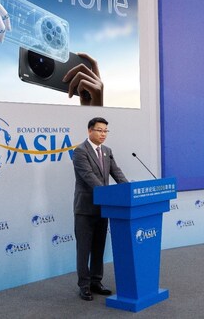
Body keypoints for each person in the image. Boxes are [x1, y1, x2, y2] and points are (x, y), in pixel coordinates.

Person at [72, 117, 128, 301]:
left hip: (103, 208)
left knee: (99, 247)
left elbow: (116, 172)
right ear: (90, 130)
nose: (103, 134)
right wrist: (108, 194)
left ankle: (96, 281)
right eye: (99, 130)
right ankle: (84, 285)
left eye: (105, 131)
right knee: (84, 249)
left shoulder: (107, 151)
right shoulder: (80, 151)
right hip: (85, 208)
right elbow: (88, 176)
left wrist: (128, 189)